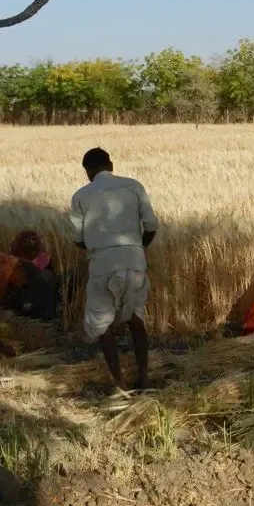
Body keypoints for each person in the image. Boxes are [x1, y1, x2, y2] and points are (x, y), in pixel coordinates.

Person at [70, 147, 158, 391]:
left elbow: (78, 240)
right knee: (137, 320)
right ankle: (145, 378)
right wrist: (139, 247)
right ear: (111, 165)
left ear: (88, 172)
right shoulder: (134, 186)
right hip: (134, 259)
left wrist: (99, 244)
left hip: (102, 263)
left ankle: (119, 385)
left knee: (102, 325)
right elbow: (151, 225)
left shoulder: (80, 196)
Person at [8, 230, 58, 321]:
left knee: (48, 275)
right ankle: (45, 313)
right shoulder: (15, 261)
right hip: (25, 300)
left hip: (36, 297)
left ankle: (46, 313)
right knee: (47, 275)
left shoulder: (42, 258)